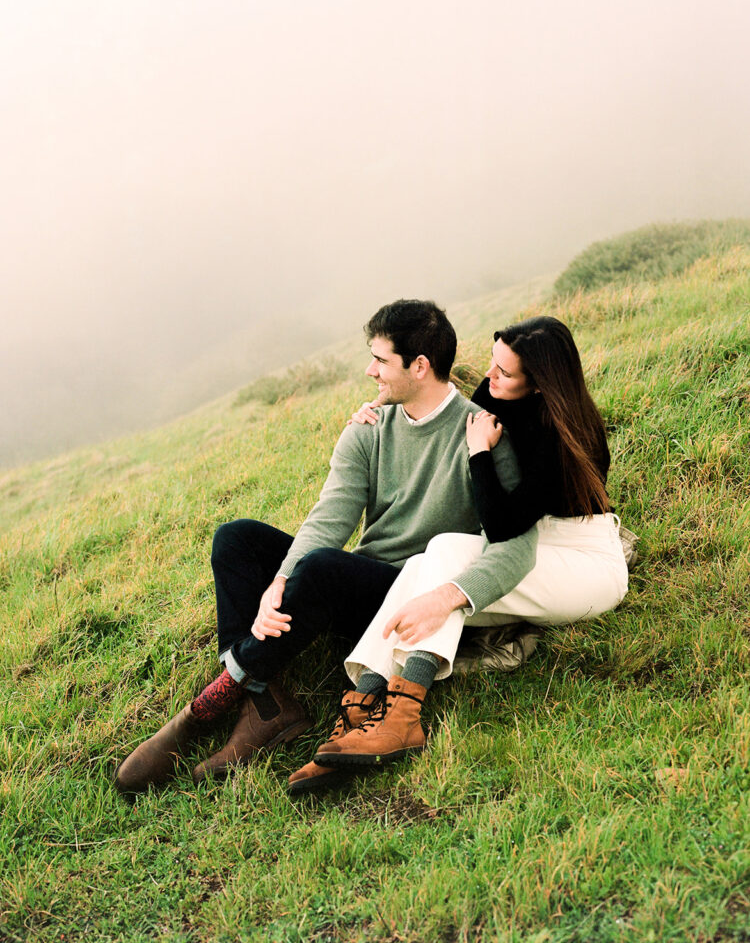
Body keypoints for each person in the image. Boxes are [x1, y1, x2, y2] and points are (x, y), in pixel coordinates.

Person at [114, 300, 538, 794]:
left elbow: (516, 545)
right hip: (351, 583)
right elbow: (329, 518)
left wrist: (448, 597)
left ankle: (213, 700)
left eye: (380, 360)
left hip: (404, 603)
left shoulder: (483, 434)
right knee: (237, 539)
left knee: (322, 569)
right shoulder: (369, 428)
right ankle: (267, 704)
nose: (369, 370)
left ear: (419, 366)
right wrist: (278, 582)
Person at [296, 316, 628, 790]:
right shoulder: (498, 394)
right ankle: (360, 714)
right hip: (531, 543)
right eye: (494, 364)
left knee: (447, 556)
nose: (491, 380)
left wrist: (478, 455)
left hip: (584, 564)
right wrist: (377, 408)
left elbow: (505, 525)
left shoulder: (561, 438)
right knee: (426, 560)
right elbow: (444, 391)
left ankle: (404, 713)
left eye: (505, 374)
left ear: (539, 386)